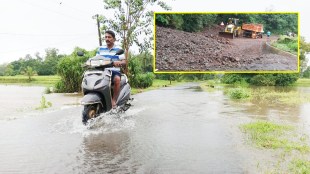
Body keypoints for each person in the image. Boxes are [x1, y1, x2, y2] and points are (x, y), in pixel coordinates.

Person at [96, 30, 126, 108]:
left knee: (117, 79)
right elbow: (96, 59)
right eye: (106, 37)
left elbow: (124, 61)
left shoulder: (118, 49)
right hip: (102, 71)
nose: (107, 39)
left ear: (114, 39)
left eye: (109, 37)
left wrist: (119, 63)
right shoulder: (100, 49)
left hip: (113, 71)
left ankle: (114, 100)